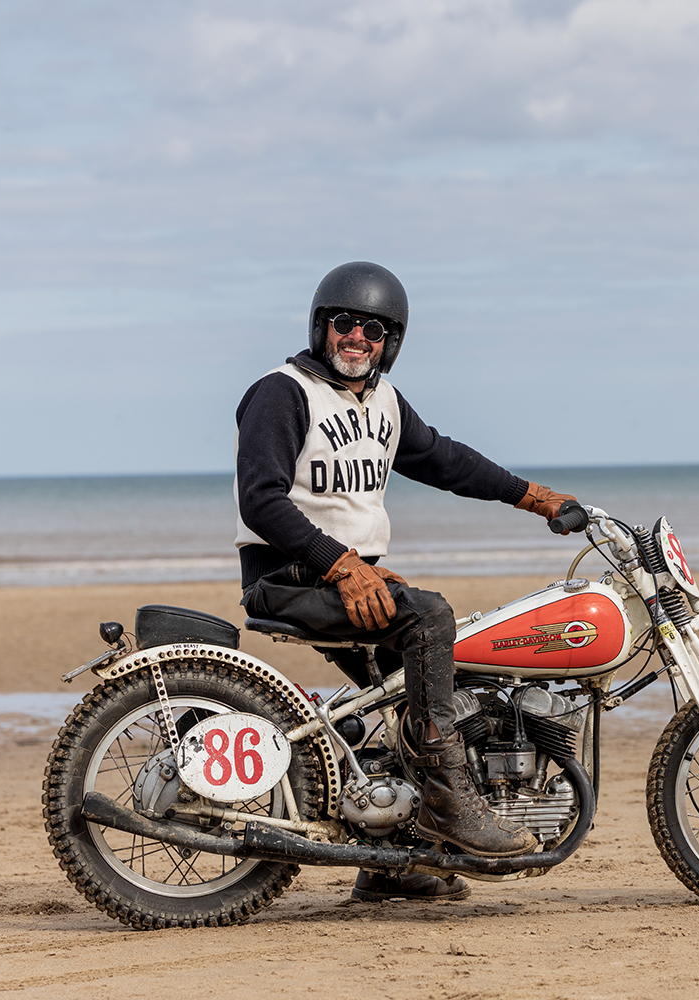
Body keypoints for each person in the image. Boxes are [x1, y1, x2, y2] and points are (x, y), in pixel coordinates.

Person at [233, 261, 575, 903]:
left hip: (342, 577)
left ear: (391, 341)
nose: (356, 337)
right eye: (344, 324)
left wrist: (532, 497)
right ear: (320, 328)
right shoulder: (281, 393)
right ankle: (450, 805)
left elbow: (442, 458)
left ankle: (394, 860)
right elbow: (261, 500)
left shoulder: (383, 401)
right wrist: (343, 563)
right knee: (430, 617)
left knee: (417, 692)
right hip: (289, 578)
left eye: (372, 329)